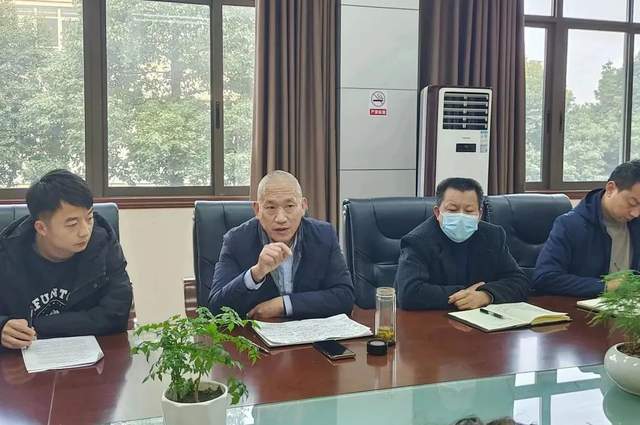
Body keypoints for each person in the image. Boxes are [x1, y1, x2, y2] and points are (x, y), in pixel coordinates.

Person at [0, 170, 133, 350]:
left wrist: (36, 326)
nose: (85, 231)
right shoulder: (7, 254)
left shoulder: (103, 242)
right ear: (42, 228)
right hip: (22, 359)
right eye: (72, 224)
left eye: (89, 218)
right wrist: (2, 327)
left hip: (94, 356)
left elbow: (116, 313)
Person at [209, 170, 354, 319]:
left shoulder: (324, 235)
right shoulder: (236, 240)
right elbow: (215, 309)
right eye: (271, 208)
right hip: (256, 332)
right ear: (257, 210)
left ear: (303, 206)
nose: (280, 218)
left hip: (310, 331)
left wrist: (284, 304)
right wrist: (256, 273)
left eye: (289, 206)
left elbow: (345, 297)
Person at [395, 177, 529, 310]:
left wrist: (485, 295)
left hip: (481, 319)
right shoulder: (418, 241)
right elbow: (409, 293)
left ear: (479, 214)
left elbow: (520, 282)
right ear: (437, 212)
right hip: (434, 319)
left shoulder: (493, 236)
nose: (461, 216)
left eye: (469, 211)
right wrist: (468, 294)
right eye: (452, 210)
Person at [533, 160, 640, 297]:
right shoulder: (570, 225)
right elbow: (544, 278)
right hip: (586, 307)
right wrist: (605, 286)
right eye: (632, 203)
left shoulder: (636, 223)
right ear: (610, 189)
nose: (636, 213)